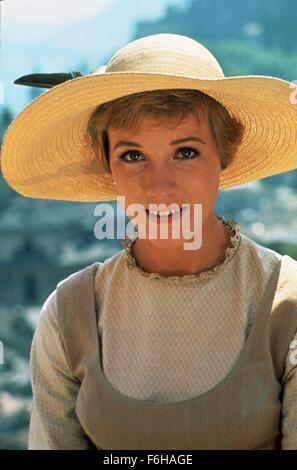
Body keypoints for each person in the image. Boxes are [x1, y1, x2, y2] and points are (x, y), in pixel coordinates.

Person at [1, 33, 297, 450]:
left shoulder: (289, 301)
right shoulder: (69, 314)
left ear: (223, 155)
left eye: (186, 152)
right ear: (108, 166)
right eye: (133, 155)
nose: (158, 186)